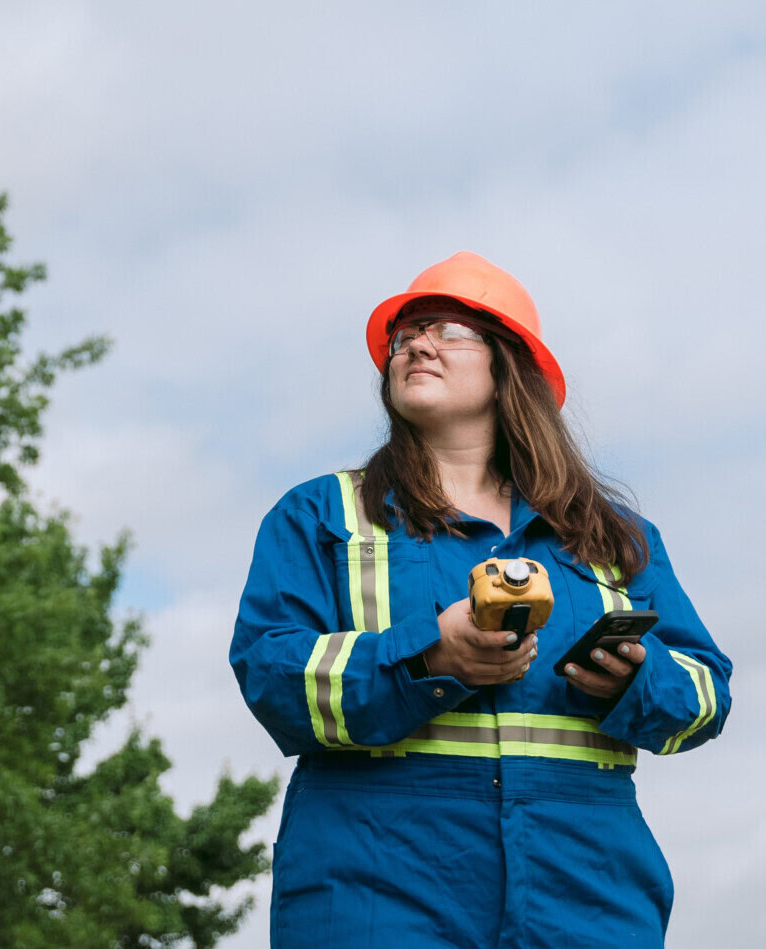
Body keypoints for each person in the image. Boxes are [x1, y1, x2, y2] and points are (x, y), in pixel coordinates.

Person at [228, 251, 732, 948]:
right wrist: (427, 656)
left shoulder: (611, 538)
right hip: (375, 892)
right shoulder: (323, 516)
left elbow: (707, 695)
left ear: (508, 370)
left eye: (446, 330)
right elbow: (272, 674)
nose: (416, 345)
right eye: (404, 337)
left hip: (586, 896)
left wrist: (637, 680)